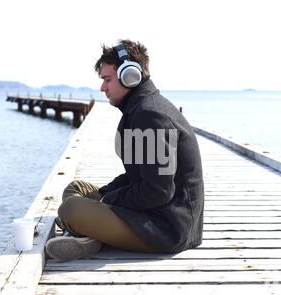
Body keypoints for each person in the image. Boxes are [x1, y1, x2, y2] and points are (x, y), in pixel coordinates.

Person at [45, 39, 204, 262]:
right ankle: (94, 238)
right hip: (152, 213)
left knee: (70, 210)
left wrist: (108, 200)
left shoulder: (151, 116)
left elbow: (158, 192)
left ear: (130, 76)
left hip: (167, 229)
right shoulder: (140, 109)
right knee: (76, 188)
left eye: (107, 80)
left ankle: (94, 235)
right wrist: (107, 194)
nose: (102, 88)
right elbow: (137, 176)